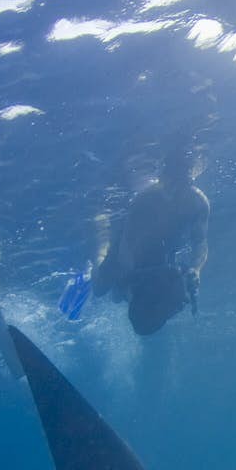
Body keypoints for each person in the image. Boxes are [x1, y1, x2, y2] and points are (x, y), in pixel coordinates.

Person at [88, 143, 210, 336]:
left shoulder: (199, 202)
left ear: (190, 178)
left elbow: (200, 243)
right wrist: (125, 280)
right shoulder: (145, 199)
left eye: (182, 183)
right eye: (171, 183)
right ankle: (100, 243)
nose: (175, 190)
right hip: (129, 246)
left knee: (127, 299)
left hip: (162, 251)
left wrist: (196, 269)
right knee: (100, 288)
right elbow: (126, 249)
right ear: (163, 178)